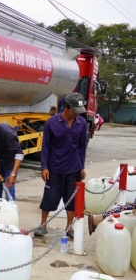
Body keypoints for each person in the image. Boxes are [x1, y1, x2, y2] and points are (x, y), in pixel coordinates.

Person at [34, 93, 87, 239]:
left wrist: (82, 166)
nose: (77, 113)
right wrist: (44, 167)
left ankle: (69, 228)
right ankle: (43, 225)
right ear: (66, 107)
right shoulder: (51, 123)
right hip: (55, 168)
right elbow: (46, 147)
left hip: (74, 168)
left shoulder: (81, 123)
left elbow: (82, 147)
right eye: (74, 110)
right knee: (50, 197)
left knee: (71, 199)